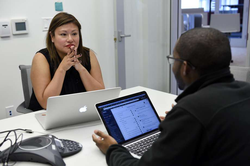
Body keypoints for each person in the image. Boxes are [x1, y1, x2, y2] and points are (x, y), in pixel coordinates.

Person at [92, 28, 250, 165]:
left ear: (185, 67)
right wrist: (178, 124)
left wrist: (112, 149)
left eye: (174, 60)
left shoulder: (193, 111)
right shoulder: (245, 90)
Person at [28, 12, 105, 111]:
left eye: (74, 34)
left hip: (80, 112)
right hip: (47, 115)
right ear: (52, 36)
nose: (70, 39)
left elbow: (100, 96)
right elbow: (46, 103)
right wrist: (62, 69)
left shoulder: (88, 54)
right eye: (63, 34)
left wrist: (81, 69)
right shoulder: (41, 58)